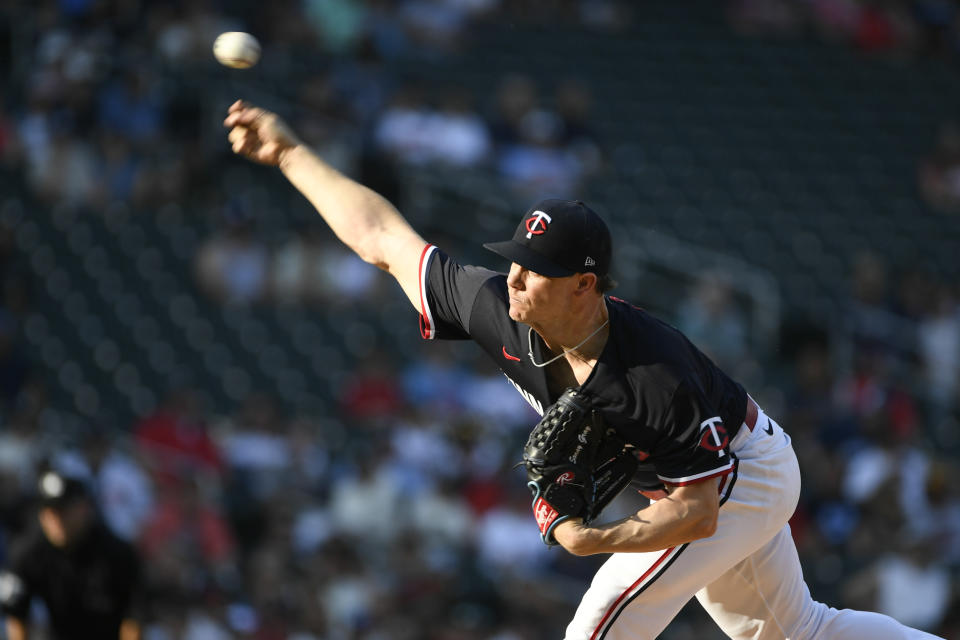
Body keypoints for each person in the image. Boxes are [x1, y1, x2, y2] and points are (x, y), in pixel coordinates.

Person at [223, 100, 944, 640]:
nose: (513, 277)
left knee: (600, 619)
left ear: (584, 286)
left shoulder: (648, 371)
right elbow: (383, 238)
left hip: (736, 478)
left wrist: (589, 539)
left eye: (535, 270)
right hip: (688, 479)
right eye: (514, 258)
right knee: (802, 634)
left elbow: (695, 513)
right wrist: (290, 154)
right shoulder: (495, 307)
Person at [0, 471, 144, 640]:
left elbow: (133, 618)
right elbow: (16, 616)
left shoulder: (117, 553)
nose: (56, 519)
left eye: (64, 510)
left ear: (84, 509)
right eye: (50, 512)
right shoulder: (28, 553)